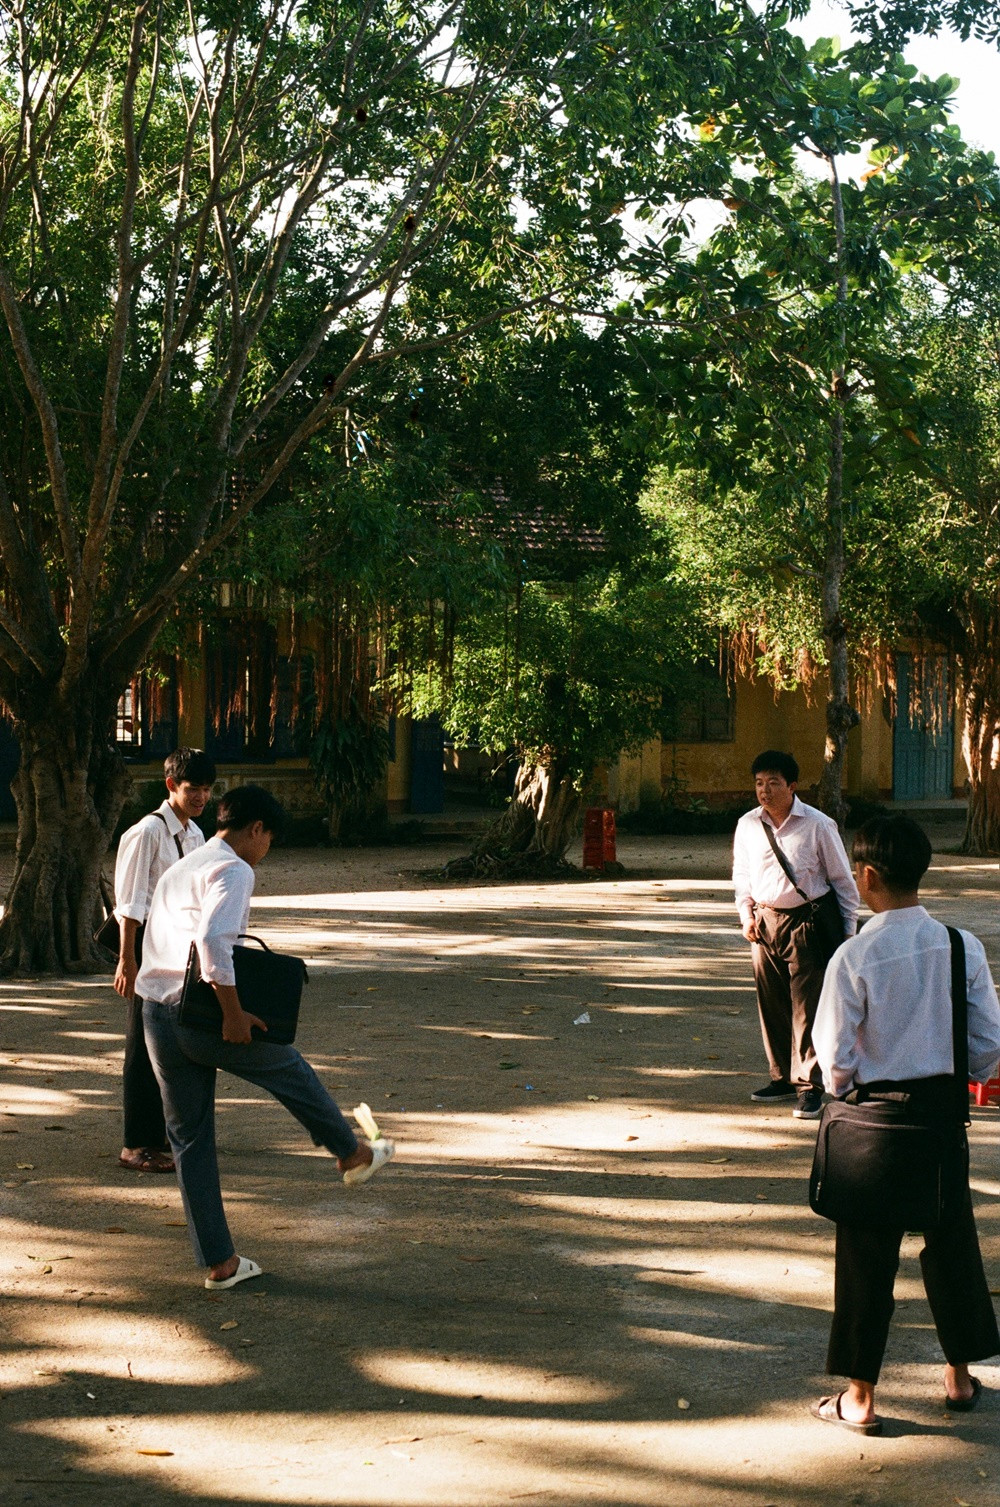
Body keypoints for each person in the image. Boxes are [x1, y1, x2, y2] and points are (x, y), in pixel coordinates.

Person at [137, 783, 394, 1289]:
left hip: (156, 1012)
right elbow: (214, 942)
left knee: (190, 1140)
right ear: (256, 829)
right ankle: (350, 1151)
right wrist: (233, 1014)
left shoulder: (184, 865)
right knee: (288, 1068)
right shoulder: (234, 868)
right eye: (269, 838)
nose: (267, 849)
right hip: (202, 1014)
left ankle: (221, 1262)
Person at [810, 813, 1000, 1434]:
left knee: (865, 1255)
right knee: (951, 1242)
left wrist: (849, 1090)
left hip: (873, 1121)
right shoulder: (961, 946)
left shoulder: (853, 955)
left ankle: (860, 1397)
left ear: (866, 876)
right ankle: (959, 1378)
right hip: (941, 1121)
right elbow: (988, 1046)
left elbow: (834, 1056)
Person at [732, 750, 859, 1120]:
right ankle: (781, 1077)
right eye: (759, 783)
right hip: (764, 921)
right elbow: (742, 875)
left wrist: (848, 935)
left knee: (807, 1007)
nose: (764, 790)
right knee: (771, 1002)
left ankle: (809, 1086)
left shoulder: (818, 825)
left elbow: (843, 883)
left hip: (808, 922)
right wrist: (746, 915)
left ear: (792, 786)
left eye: (773, 783)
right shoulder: (748, 825)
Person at [113, 746, 216, 1172]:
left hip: (180, 945)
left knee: (176, 1039)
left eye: (207, 789)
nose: (201, 797)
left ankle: (171, 1133)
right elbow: (130, 902)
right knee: (142, 1042)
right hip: (144, 944)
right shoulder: (147, 832)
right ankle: (136, 1143)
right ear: (171, 784)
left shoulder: (195, 834)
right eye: (193, 789)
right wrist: (127, 960)